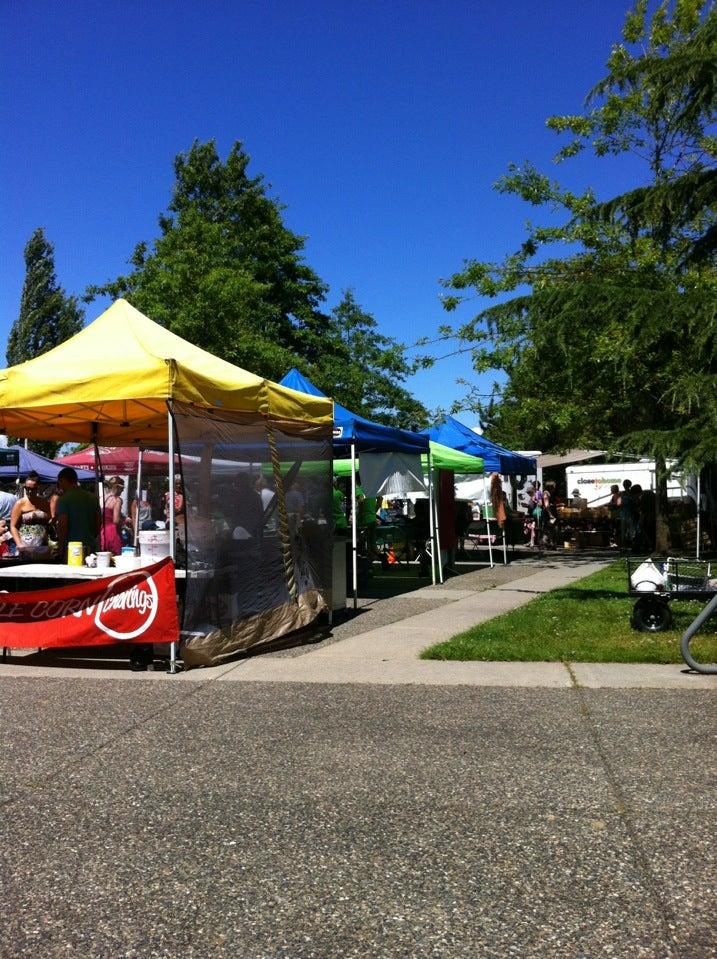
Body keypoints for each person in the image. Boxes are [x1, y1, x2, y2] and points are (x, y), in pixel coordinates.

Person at [55, 466, 101, 557]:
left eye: (59, 482)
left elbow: (63, 525)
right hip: (90, 547)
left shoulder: (63, 499)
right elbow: (98, 521)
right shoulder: (92, 498)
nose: (59, 485)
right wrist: (90, 536)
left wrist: (61, 546)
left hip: (72, 549)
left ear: (64, 480)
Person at [10, 470, 52, 551]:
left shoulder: (44, 503)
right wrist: (19, 544)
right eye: (27, 488)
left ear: (38, 488)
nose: (29, 491)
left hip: (42, 545)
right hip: (25, 545)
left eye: (32, 489)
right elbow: (13, 526)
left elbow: (50, 522)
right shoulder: (20, 503)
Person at [99, 476, 125, 555]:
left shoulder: (101, 498)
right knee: (116, 558)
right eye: (122, 488)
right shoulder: (117, 500)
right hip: (112, 533)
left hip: (101, 532)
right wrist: (124, 521)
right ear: (117, 487)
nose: (123, 490)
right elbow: (116, 520)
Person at [618, 479, 635, 550]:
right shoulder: (632, 493)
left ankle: (624, 546)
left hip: (624, 514)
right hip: (630, 514)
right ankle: (630, 545)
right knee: (631, 531)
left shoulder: (621, 494)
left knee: (624, 531)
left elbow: (618, 504)